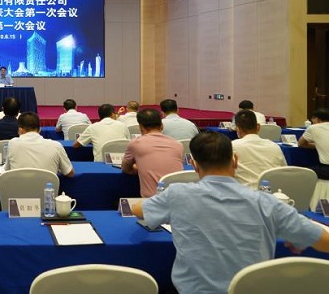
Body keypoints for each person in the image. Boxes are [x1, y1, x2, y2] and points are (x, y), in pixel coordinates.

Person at [132, 130, 329, 294]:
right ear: (235, 160)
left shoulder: (177, 195)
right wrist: (299, 234)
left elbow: (138, 210)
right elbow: (325, 242)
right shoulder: (266, 202)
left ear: (194, 164)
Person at [121, 108, 183, 197]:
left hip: (151, 200)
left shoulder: (135, 143)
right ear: (162, 126)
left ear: (140, 127)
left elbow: (125, 169)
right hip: (177, 198)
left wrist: (138, 167)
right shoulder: (178, 145)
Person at [5, 112, 74, 177]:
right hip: (48, 186)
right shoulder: (56, 146)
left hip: (19, 186)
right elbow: (70, 173)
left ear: (20, 130)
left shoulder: (12, 143)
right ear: (40, 129)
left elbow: (7, 169)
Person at [232, 109, 287, 188]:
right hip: (271, 192)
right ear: (258, 127)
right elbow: (283, 170)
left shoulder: (232, 146)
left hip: (245, 192)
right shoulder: (274, 146)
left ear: (237, 129)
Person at [298, 107, 329, 180]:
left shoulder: (313, 127)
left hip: (326, 169)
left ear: (317, 119)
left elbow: (301, 144)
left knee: (299, 171)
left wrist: (315, 145)